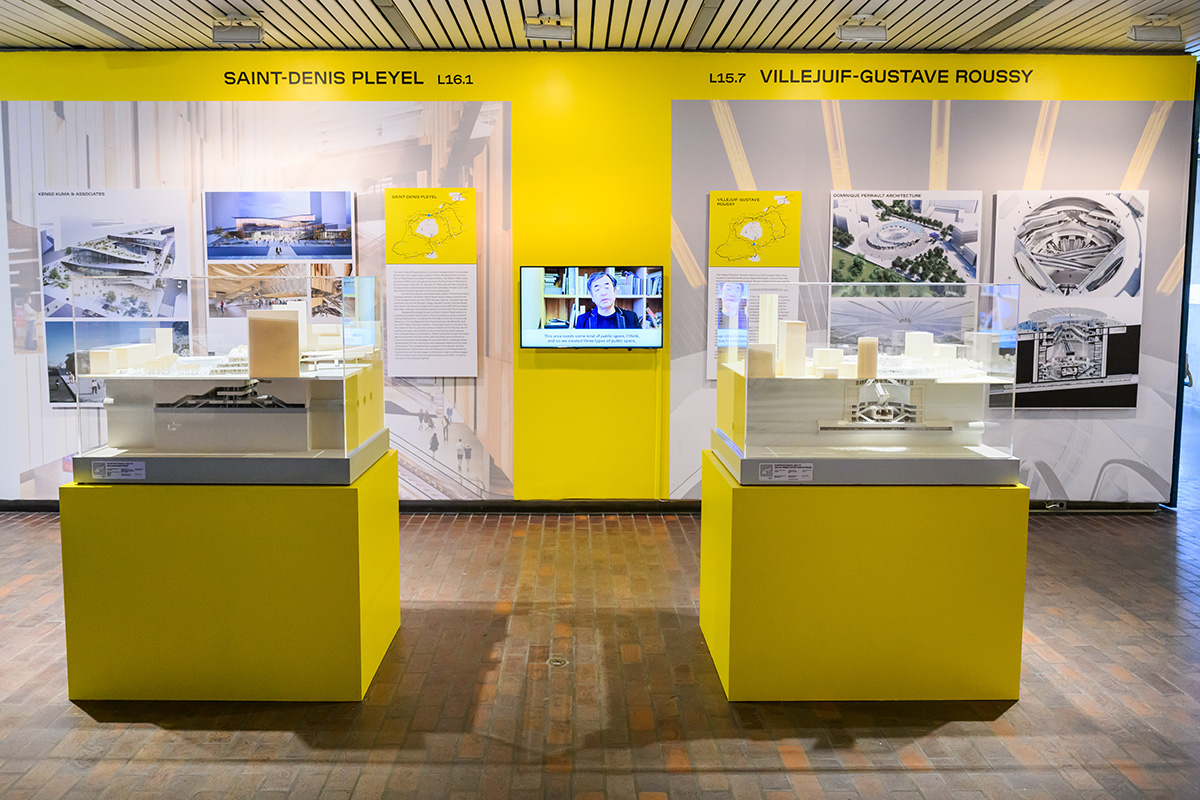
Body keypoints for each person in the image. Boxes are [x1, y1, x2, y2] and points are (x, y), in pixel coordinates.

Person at [574, 272, 641, 329]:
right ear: (592, 296)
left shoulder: (631, 318)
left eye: (607, 288)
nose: (603, 293)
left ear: (614, 291)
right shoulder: (582, 320)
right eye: (597, 289)